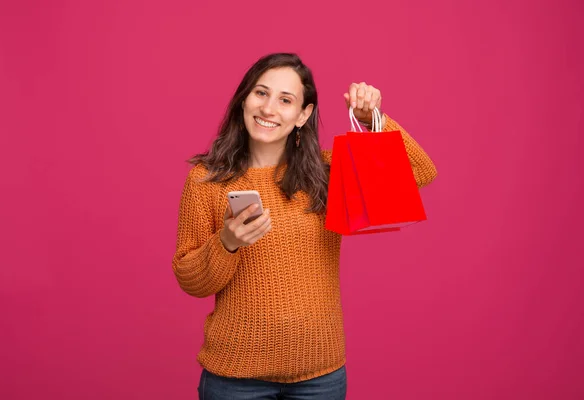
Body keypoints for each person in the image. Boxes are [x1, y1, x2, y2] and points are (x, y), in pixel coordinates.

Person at [172, 52, 437, 399]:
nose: (269, 109)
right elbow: (191, 280)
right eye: (260, 93)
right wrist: (227, 242)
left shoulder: (327, 174)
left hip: (320, 378)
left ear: (303, 114)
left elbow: (420, 172)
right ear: (243, 100)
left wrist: (375, 120)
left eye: (286, 100)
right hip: (235, 378)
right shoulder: (207, 181)